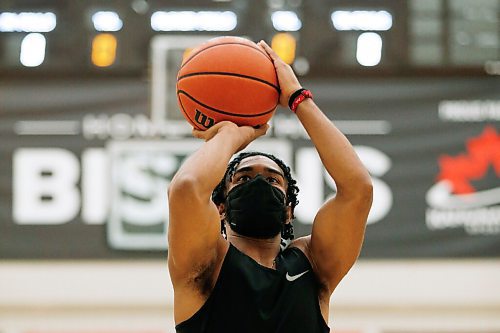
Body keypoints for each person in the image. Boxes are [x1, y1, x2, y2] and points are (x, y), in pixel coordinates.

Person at [167, 40, 373, 333]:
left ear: (289, 210)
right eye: (244, 178)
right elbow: (187, 187)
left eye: (273, 179)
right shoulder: (207, 262)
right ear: (221, 206)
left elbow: (358, 189)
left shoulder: (312, 265)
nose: (260, 183)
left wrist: (299, 99)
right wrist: (229, 135)